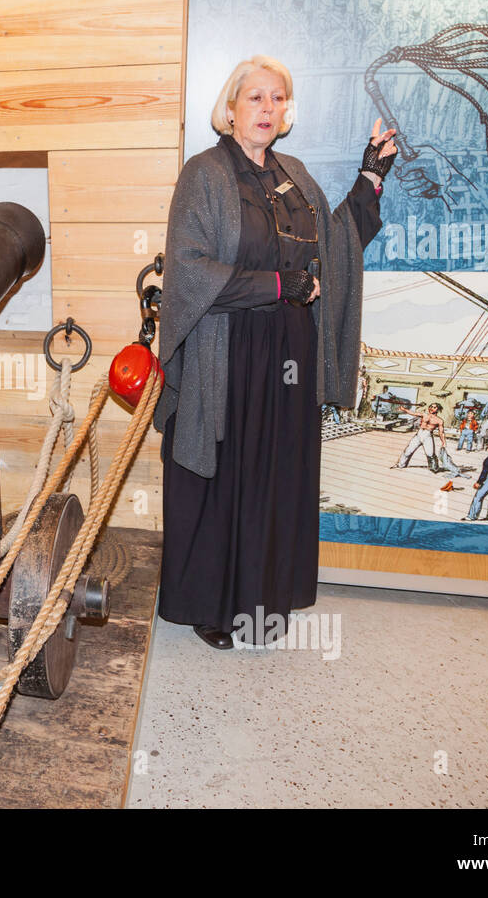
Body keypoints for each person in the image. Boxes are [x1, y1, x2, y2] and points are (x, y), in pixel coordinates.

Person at [153, 55, 396, 649]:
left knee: (275, 475)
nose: (267, 108)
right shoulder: (204, 174)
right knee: (226, 474)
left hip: (289, 354)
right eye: (255, 97)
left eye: (277, 98)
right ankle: (213, 605)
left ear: (287, 111)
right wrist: (279, 286)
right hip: (226, 351)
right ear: (231, 107)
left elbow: (335, 247)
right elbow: (189, 272)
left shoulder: (295, 175)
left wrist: (371, 177)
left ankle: (261, 599)